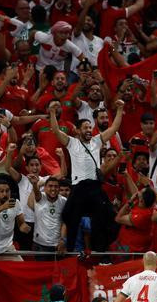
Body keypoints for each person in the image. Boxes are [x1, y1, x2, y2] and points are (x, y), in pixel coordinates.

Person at [53, 100, 124, 252]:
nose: (88, 130)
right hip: (79, 188)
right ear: (77, 131)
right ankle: (70, 249)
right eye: (85, 127)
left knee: (107, 217)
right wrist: (52, 113)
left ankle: (101, 251)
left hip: (94, 187)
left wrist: (120, 109)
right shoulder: (72, 143)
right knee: (69, 215)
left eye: (90, 127)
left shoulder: (96, 141)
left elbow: (114, 127)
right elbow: (56, 131)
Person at [28, 176, 67, 255]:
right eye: (50, 186)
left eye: (56, 186)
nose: (53, 189)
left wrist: (63, 240)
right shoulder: (40, 197)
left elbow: (64, 222)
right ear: (45, 188)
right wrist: (35, 184)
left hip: (57, 245)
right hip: (40, 245)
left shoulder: (63, 201)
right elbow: (36, 192)